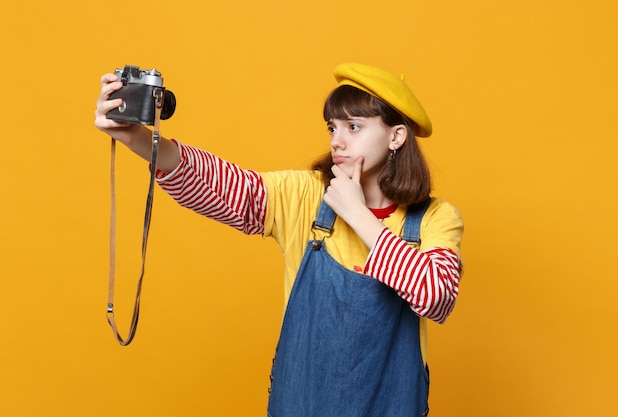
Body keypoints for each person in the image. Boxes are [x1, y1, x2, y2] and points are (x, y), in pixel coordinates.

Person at [95, 62, 464, 417]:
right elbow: (229, 187)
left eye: (354, 126)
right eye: (332, 128)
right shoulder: (304, 195)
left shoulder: (435, 218)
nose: (337, 141)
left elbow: (435, 296)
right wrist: (140, 139)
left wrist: (356, 214)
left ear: (396, 135)